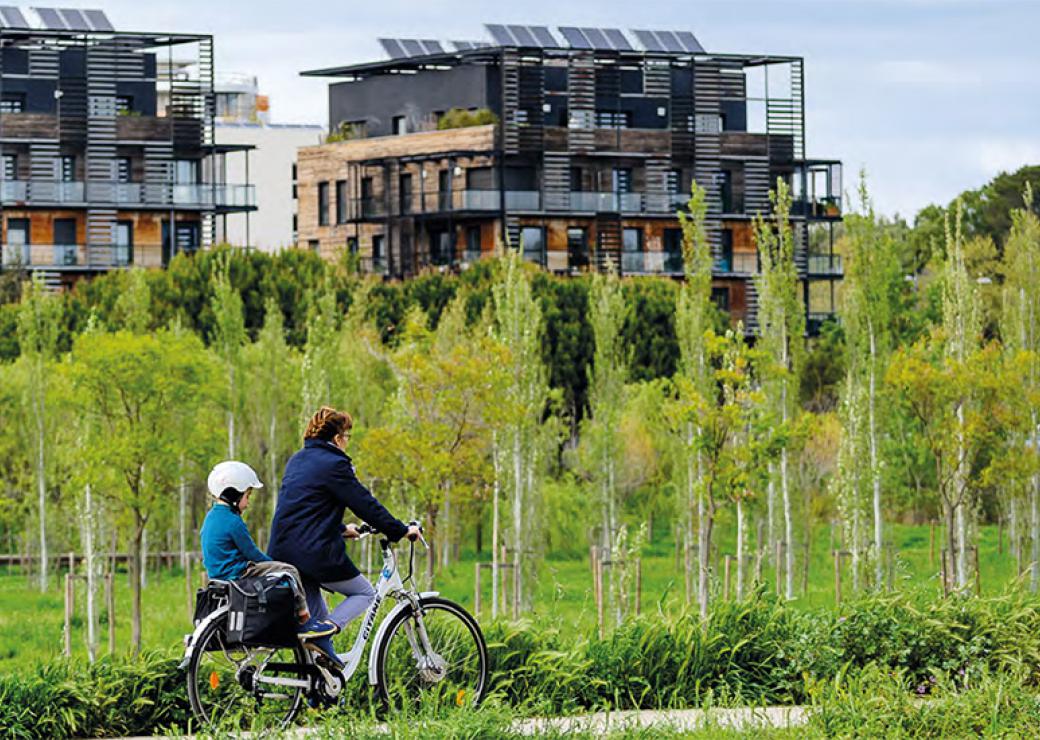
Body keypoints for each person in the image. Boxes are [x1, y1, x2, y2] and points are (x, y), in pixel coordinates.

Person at [269, 407, 420, 666]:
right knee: (365, 594)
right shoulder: (335, 463)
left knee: (315, 631)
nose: (347, 442)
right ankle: (327, 629)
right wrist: (401, 530)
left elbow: (303, 508)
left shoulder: (297, 459)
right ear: (338, 438)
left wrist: (340, 529)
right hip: (313, 553)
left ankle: (320, 691)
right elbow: (365, 504)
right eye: (347, 436)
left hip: (283, 553)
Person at [200, 460, 337, 641]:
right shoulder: (233, 522)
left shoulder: (210, 518)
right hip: (238, 574)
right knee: (289, 571)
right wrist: (274, 563)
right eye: (247, 496)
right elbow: (253, 555)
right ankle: (305, 619)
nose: (248, 503)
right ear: (234, 495)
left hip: (216, 576)